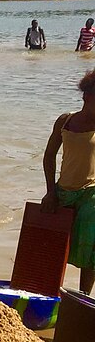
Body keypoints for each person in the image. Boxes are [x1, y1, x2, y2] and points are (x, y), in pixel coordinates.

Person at [41, 69, 95, 294]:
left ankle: (82, 299)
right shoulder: (66, 121)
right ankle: (50, 297)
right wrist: (50, 191)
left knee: (90, 254)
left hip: (91, 195)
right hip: (63, 192)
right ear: (86, 97)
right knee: (55, 249)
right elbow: (49, 156)